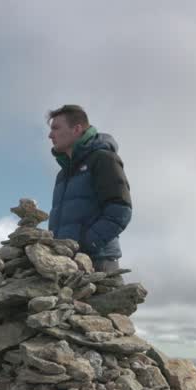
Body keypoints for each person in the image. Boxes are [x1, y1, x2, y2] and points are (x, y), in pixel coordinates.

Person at [46, 104, 132, 272]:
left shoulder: (103, 158)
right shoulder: (63, 174)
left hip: (99, 262)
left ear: (76, 129)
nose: (50, 135)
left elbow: (121, 210)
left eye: (56, 128)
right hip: (67, 264)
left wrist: (87, 245)